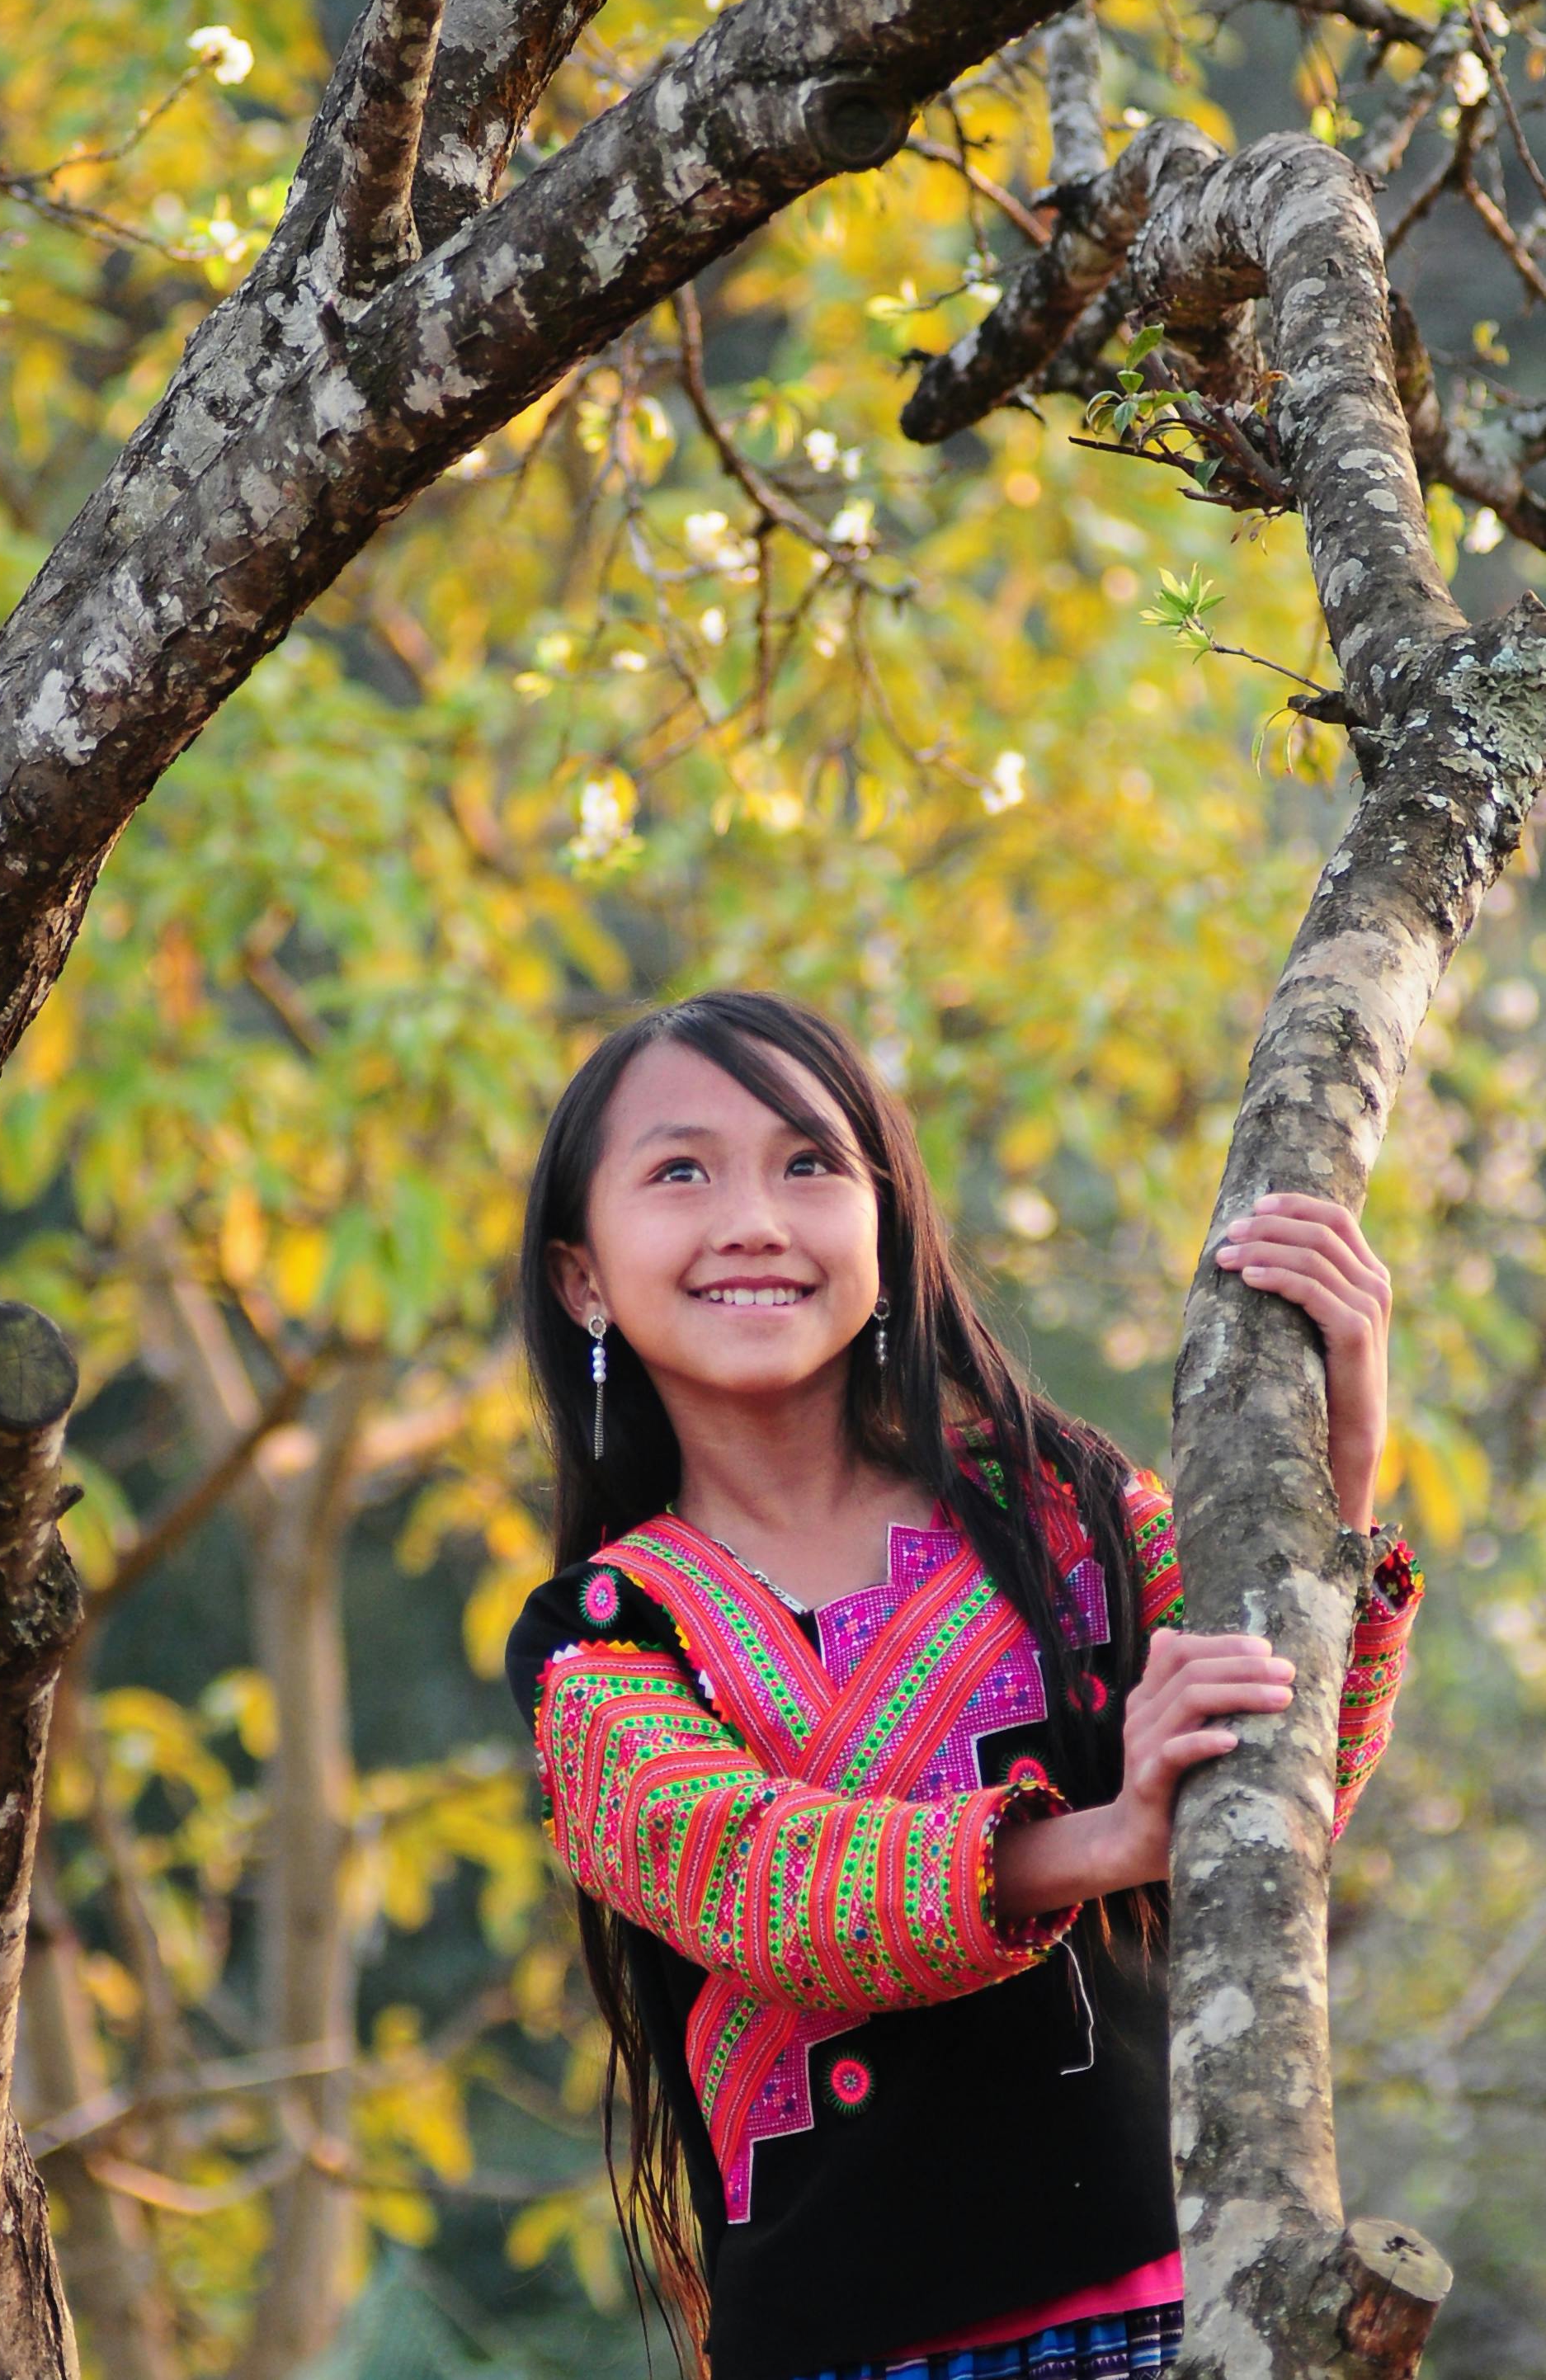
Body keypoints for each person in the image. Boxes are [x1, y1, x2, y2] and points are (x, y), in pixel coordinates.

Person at [504, 991, 1421, 2380]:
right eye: (680, 1170)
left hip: (1207, 2308)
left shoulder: (1068, 1508)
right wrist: (1099, 1840)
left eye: (811, 1163)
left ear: (884, 1225)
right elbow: (757, 1882)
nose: (753, 1218)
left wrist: (1333, 1470)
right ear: (582, 1276)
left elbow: (1274, 1812)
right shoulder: (602, 1640)